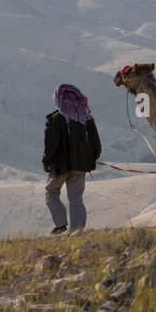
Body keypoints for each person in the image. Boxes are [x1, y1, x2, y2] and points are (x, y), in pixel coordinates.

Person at [42, 83, 101, 234]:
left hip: (60, 166)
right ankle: (77, 230)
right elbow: (97, 146)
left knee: (51, 192)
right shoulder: (87, 118)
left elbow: (51, 145)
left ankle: (61, 224)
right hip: (81, 166)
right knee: (76, 198)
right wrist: (89, 160)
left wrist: (46, 161)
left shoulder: (56, 119)